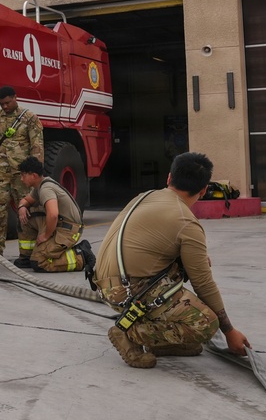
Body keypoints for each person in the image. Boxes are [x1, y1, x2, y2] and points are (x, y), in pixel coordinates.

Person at [94, 151, 251, 369]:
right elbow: (203, 284)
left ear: (169, 178)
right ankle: (131, 334)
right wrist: (229, 332)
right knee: (206, 323)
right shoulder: (187, 223)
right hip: (127, 291)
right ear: (204, 190)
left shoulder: (145, 196)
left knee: (194, 262)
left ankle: (161, 342)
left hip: (103, 284)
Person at [0, 85, 44, 262]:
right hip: (0, 173)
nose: (5, 106)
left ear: (15, 97)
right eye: (2, 104)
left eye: (8, 102)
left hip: (22, 174)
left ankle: (28, 252)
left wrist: (34, 173)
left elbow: (37, 146)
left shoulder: (30, 118)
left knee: (26, 211)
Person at [13, 156, 94, 272]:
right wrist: (21, 207)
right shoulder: (39, 187)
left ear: (33, 176)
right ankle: (27, 257)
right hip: (60, 224)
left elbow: (53, 214)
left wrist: (46, 235)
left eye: (23, 175)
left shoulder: (46, 189)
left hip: (68, 230)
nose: (21, 179)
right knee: (24, 216)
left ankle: (81, 255)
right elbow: (26, 200)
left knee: (39, 262)